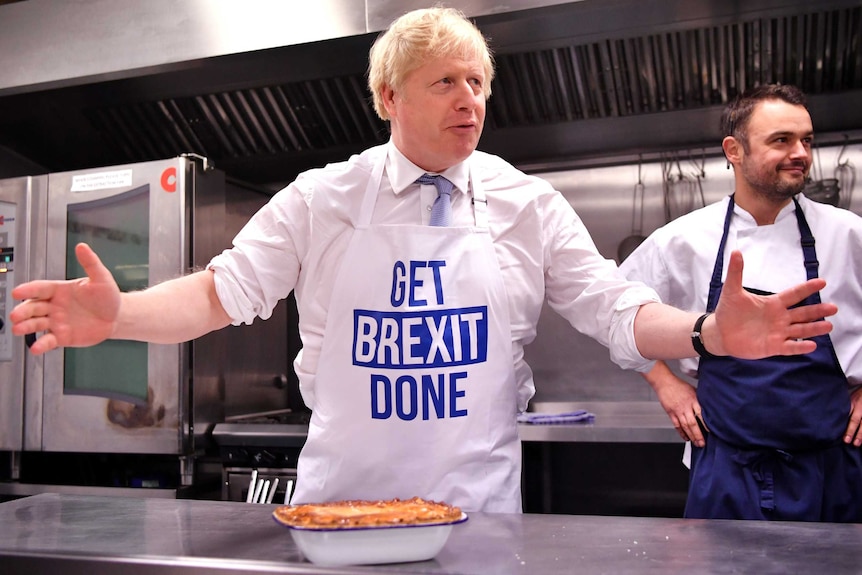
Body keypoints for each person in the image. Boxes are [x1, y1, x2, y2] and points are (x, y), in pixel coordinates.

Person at [10, 10, 836, 513]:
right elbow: (221, 293)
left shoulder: (524, 201)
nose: (470, 99)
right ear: (389, 98)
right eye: (445, 81)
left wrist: (705, 333)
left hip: (476, 517)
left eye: (478, 80)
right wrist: (120, 317)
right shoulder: (323, 196)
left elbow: (616, 309)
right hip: (341, 509)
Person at [619, 83, 862, 522]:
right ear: (734, 150)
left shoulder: (848, 234)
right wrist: (664, 382)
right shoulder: (684, 240)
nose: (801, 153)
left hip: (834, 467)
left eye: (806, 139)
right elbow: (612, 313)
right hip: (726, 470)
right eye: (781, 140)